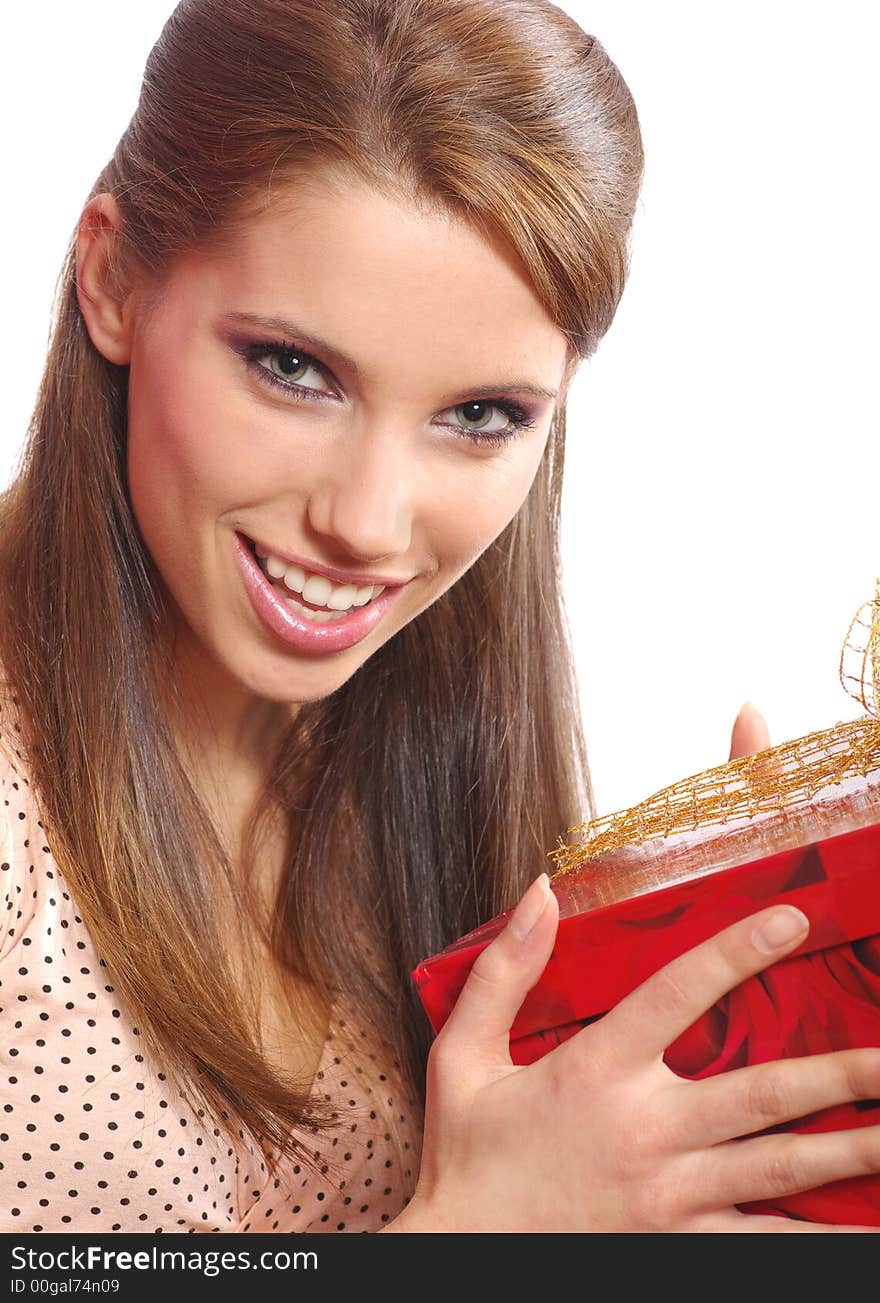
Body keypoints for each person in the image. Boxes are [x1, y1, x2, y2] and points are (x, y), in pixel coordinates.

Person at [1, 0, 878, 1234]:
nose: (368, 522)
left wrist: (742, 1050)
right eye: (292, 368)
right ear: (111, 282)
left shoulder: (409, 772)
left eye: (478, 417)